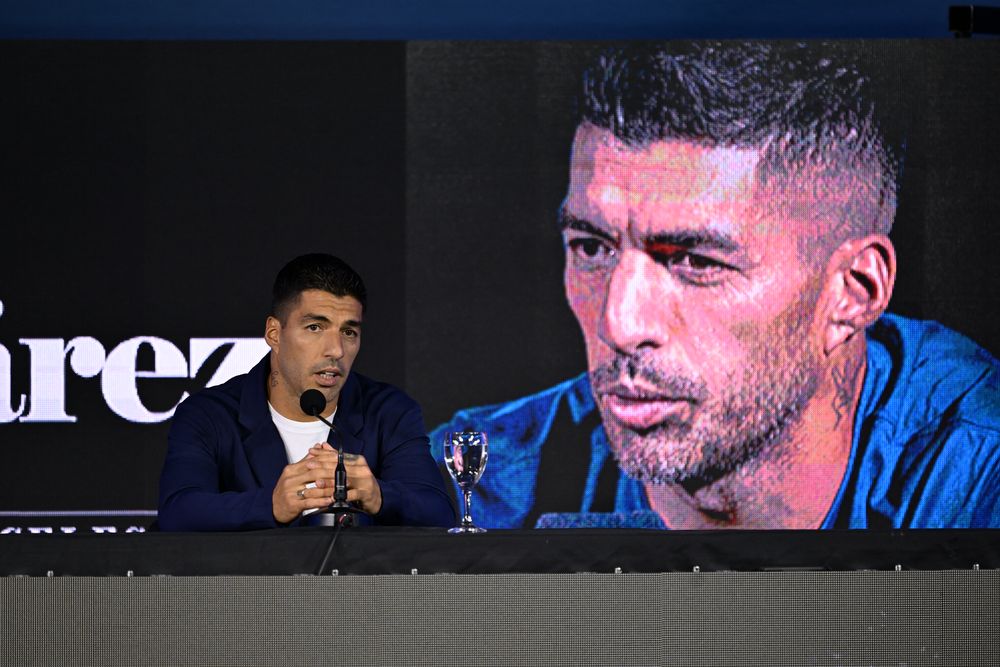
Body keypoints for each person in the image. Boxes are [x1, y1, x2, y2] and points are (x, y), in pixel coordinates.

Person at [432, 43, 1000, 529]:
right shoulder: (473, 485)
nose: (619, 324)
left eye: (695, 261)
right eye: (592, 248)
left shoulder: (974, 482)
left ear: (852, 293)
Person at [159, 254, 454, 530]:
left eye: (349, 332)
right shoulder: (208, 414)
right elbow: (178, 513)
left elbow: (439, 513)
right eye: (315, 327)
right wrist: (271, 505)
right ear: (274, 334)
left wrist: (379, 495)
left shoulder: (389, 411)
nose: (336, 350)